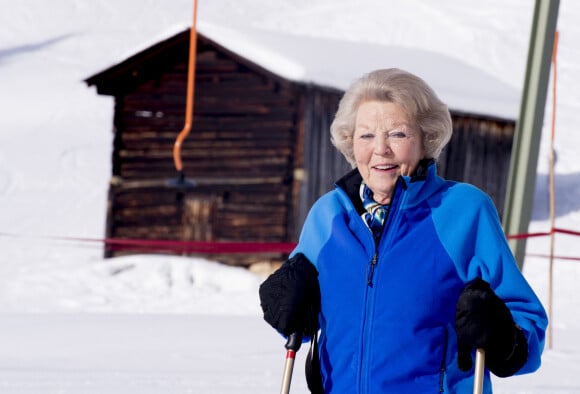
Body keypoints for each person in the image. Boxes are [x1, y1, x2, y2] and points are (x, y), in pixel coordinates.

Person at [259, 68, 547, 393]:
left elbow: (529, 327)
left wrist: (502, 336)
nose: (381, 149)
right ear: (351, 143)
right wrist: (286, 304)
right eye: (366, 135)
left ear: (426, 139)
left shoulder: (464, 211)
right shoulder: (327, 216)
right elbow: (302, 324)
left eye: (398, 134)